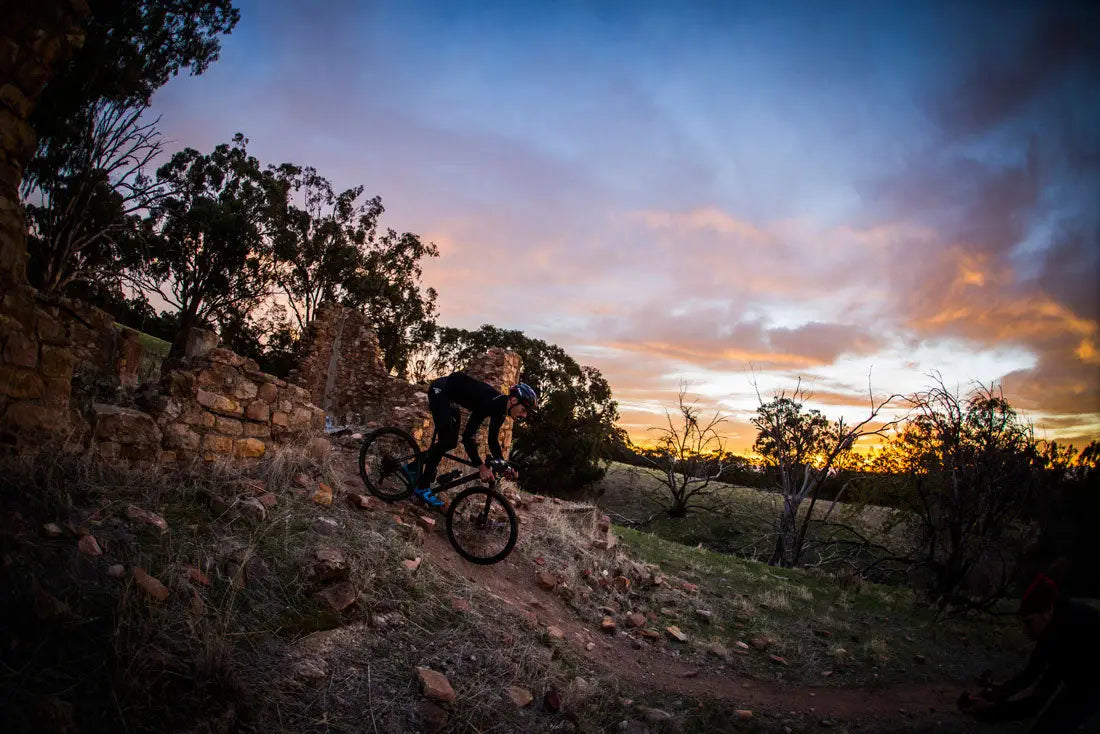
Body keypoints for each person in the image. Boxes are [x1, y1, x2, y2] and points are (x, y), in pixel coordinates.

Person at [959, 573, 1100, 733]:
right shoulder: (1053, 624)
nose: (1026, 631)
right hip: (1083, 678)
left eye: (1029, 622)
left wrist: (989, 711)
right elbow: (1029, 674)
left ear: (1047, 611)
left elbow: (1036, 702)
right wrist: (991, 696)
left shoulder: (1068, 632)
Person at [407, 372, 537, 509]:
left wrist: (504, 465)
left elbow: (492, 440)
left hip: (450, 398)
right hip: (440, 390)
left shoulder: (501, 410)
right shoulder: (491, 403)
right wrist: (480, 466)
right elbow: (468, 437)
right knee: (446, 440)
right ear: (514, 401)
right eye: (523, 410)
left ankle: (412, 467)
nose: (524, 415)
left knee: (451, 442)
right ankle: (422, 487)